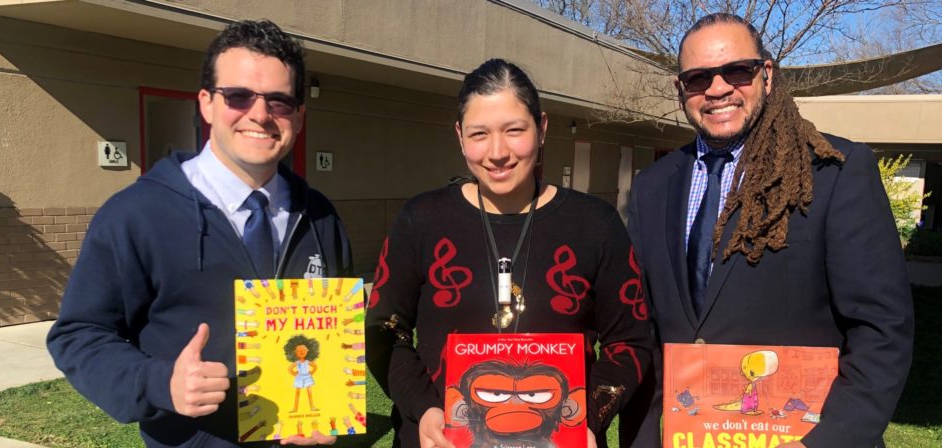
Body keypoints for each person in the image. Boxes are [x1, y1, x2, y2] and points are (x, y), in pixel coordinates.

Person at [46, 19, 351, 447]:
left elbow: (333, 336)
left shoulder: (319, 217)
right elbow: (78, 335)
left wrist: (327, 403)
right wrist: (159, 381)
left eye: (279, 101)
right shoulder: (137, 214)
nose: (260, 115)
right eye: (239, 96)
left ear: (299, 116)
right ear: (207, 104)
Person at [621, 13, 914, 448]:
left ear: (767, 74)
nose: (718, 89)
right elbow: (642, 330)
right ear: (680, 90)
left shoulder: (835, 173)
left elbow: (882, 330)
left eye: (737, 71)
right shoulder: (652, 186)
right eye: (698, 78)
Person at [366, 59, 654, 448]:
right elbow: (385, 330)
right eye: (479, 134)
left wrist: (585, 416)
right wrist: (425, 409)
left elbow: (630, 341)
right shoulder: (421, 219)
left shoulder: (595, 223)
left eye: (514, 130)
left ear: (542, 128)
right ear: (460, 136)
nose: (497, 152)